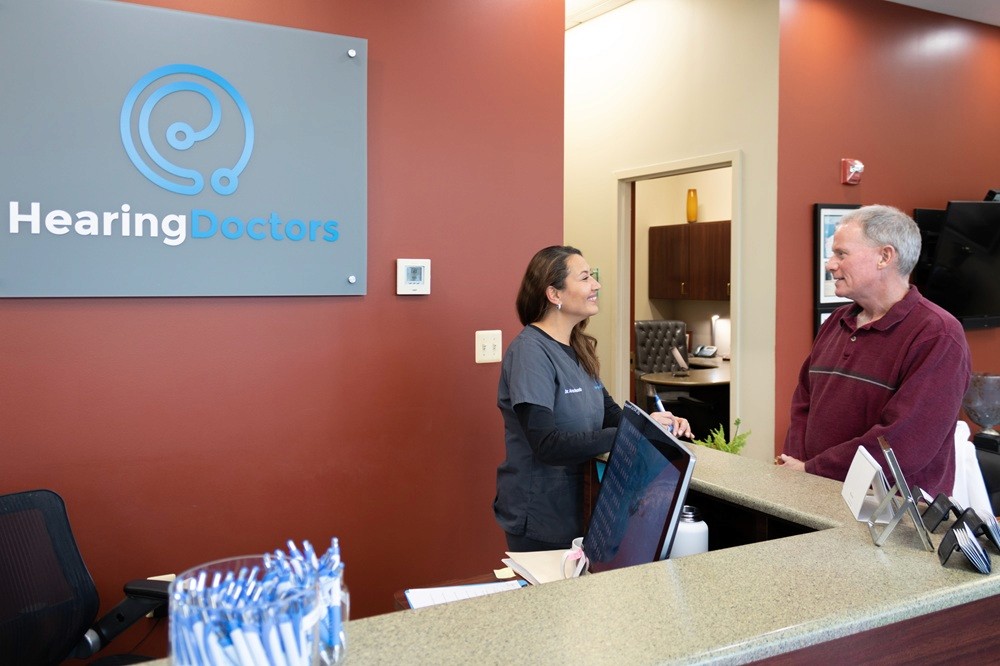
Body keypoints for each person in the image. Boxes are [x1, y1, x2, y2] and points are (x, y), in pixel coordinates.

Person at [493, 245, 692, 552]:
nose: (596, 285)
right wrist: (625, 437)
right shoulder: (530, 353)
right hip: (542, 515)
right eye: (585, 277)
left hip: (583, 509)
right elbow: (546, 444)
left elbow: (609, 413)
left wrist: (651, 425)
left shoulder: (578, 348)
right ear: (554, 294)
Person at [778, 205, 971, 497]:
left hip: (891, 516)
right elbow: (803, 403)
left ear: (885, 257)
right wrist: (800, 469)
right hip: (815, 493)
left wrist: (812, 470)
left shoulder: (938, 334)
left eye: (842, 254)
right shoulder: (837, 321)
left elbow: (903, 442)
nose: (831, 264)